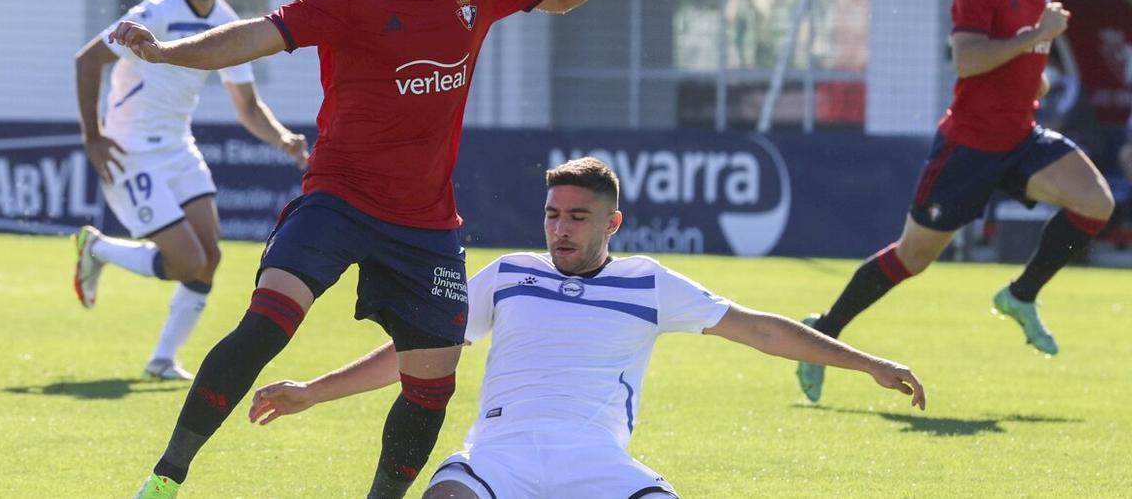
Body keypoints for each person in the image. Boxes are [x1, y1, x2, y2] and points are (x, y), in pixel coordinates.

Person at [112, 0, 607, 499]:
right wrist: (166, 52)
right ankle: (166, 477)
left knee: (432, 384)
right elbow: (254, 37)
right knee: (268, 323)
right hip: (337, 198)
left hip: (425, 220)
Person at [247, 157, 926, 499]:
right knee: (446, 495)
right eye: (553, 214)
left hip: (594, 462)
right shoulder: (508, 274)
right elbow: (415, 354)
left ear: (612, 223)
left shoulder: (648, 282)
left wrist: (867, 363)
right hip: (499, 455)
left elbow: (763, 331)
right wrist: (311, 390)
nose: (561, 228)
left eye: (577, 216)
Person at [796, 0, 1115, 403]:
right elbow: (967, 61)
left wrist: (1033, 77)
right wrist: (1035, 37)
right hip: (968, 149)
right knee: (912, 258)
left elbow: (1023, 62)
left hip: (1022, 138)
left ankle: (1021, 295)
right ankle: (823, 333)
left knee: (1096, 203)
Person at [73, 0, 308, 381]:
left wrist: (283, 138)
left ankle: (162, 360)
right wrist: (93, 137)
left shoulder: (225, 22)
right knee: (186, 261)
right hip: (130, 152)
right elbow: (87, 61)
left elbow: (247, 105)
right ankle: (96, 248)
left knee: (209, 259)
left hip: (179, 149)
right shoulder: (155, 11)